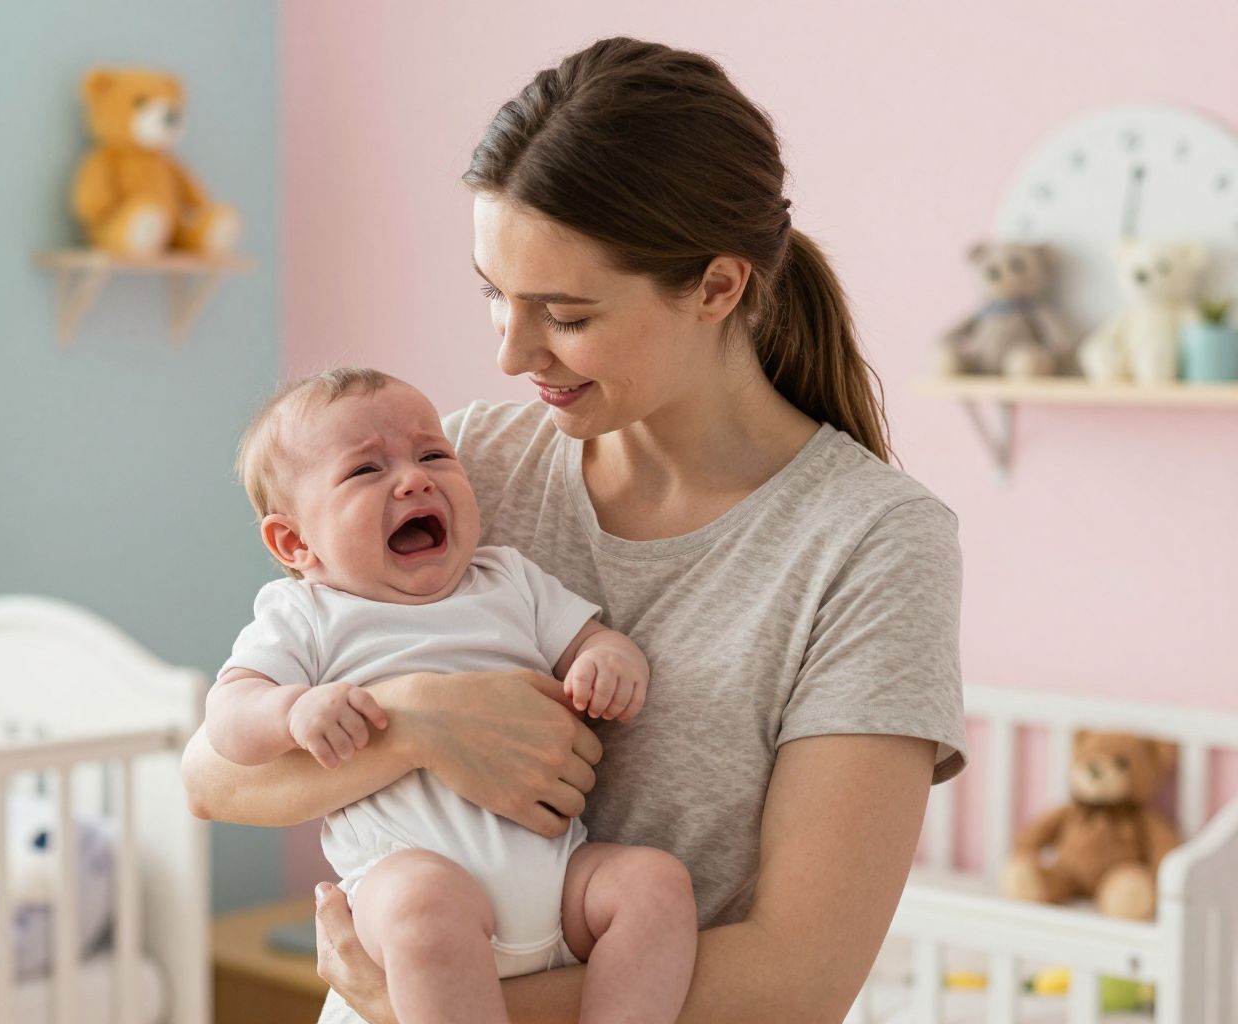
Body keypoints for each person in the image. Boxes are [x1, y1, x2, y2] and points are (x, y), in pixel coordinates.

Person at [183, 35, 968, 1024]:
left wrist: (412, 999)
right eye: (494, 295)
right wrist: (421, 721)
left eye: (563, 314)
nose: (512, 354)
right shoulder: (464, 465)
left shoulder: (869, 544)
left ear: (717, 287)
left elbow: (796, 980)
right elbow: (214, 777)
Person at [204, 367, 696, 1023]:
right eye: (365, 470)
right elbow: (227, 718)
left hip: (559, 884)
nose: (414, 479)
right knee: (423, 903)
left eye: (434, 455)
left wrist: (608, 661)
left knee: (654, 884)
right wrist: (291, 712)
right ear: (294, 541)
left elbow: (591, 640)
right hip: (408, 883)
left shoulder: (508, 579)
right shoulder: (305, 615)